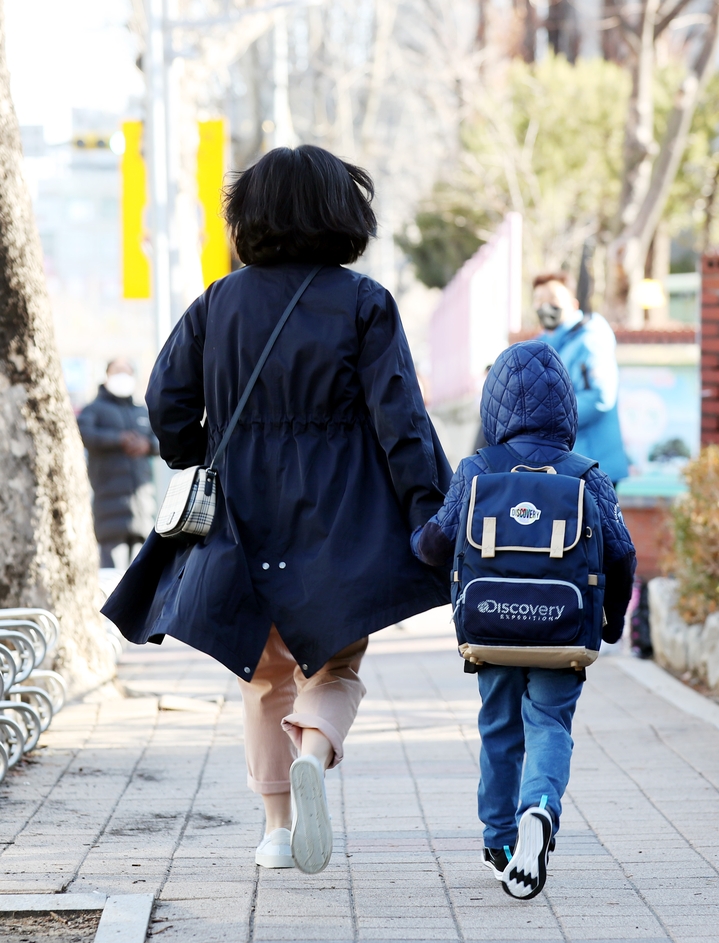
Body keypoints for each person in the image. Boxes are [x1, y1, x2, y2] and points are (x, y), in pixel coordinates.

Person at [102, 145, 452, 876]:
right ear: (341, 214)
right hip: (342, 511)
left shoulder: (217, 302)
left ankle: (275, 831)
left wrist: (194, 451)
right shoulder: (364, 304)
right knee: (336, 662)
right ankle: (315, 753)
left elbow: (166, 401)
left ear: (249, 218)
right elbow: (403, 421)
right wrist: (428, 514)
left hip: (241, 511)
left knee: (264, 676)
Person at [411, 340, 635, 899]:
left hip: (493, 628)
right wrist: (611, 621)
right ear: (566, 408)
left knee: (499, 728)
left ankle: (500, 840)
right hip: (563, 630)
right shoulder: (588, 475)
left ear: (495, 407)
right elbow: (622, 553)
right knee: (549, 725)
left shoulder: (475, 469)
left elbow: (434, 545)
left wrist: (415, 537)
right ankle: (540, 809)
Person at [532, 271, 629, 486]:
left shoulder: (589, 340)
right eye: (538, 300)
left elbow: (598, 397)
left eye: (553, 299)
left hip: (592, 466)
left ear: (574, 304)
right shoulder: (547, 344)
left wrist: (545, 418)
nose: (545, 306)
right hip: (567, 466)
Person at [77, 359, 159, 569]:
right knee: (112, 576)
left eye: (127, 371)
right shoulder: (94, 409)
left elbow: (162, 441)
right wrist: (118, 439)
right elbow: (84, 435)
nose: (123, 376)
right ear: (106, 375)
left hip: (143, 510)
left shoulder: (142, 411)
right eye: (117, 371)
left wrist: (147, 445)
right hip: (109, 512)